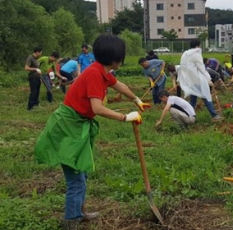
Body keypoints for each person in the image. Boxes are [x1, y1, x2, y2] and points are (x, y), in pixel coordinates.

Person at [34, 34, 151, 230]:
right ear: (116, 59)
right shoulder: (95, 74)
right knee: (76, 178)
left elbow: (118, 85)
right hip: (68, 127)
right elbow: (97, 108)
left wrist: (136, 99)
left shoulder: (101, 71)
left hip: (78, 125)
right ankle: (71, 221)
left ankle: (78, 212)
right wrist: (125, 117)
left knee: (82, 173)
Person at [177, 39, 223, 121]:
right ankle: (214, 116)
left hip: (189, 80)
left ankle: (188, 114)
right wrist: (209, 79)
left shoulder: (185, 54)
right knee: (206, 96)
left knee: (193, 100)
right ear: (198, 45)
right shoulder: (196, 54)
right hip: (197, 80)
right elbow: (202, 69)